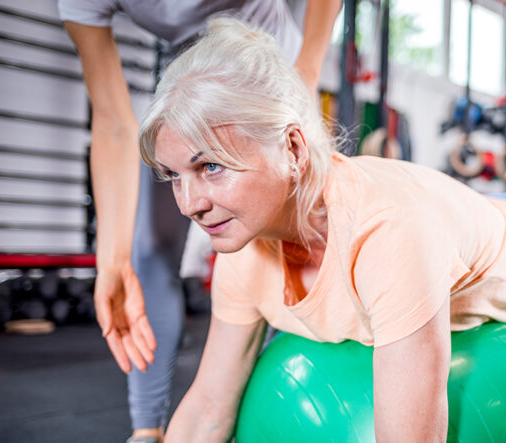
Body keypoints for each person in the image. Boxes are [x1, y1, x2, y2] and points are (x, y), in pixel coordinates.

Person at [139, 18, 506, 443]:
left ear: (293, 147)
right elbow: (210, 406)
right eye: (174, 176)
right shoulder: (243, 240)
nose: (189, 202)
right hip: (480, 238)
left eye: (210, 166)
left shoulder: (384, 232)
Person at [58, 2, 341, 442]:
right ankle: (146, 430)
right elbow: (114, 123)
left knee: (277, 249)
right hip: (189, 72)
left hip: (268, 69)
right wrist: (112, 261)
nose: (190, 206)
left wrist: (305, 74)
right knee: (145, 251)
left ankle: (265, 414)